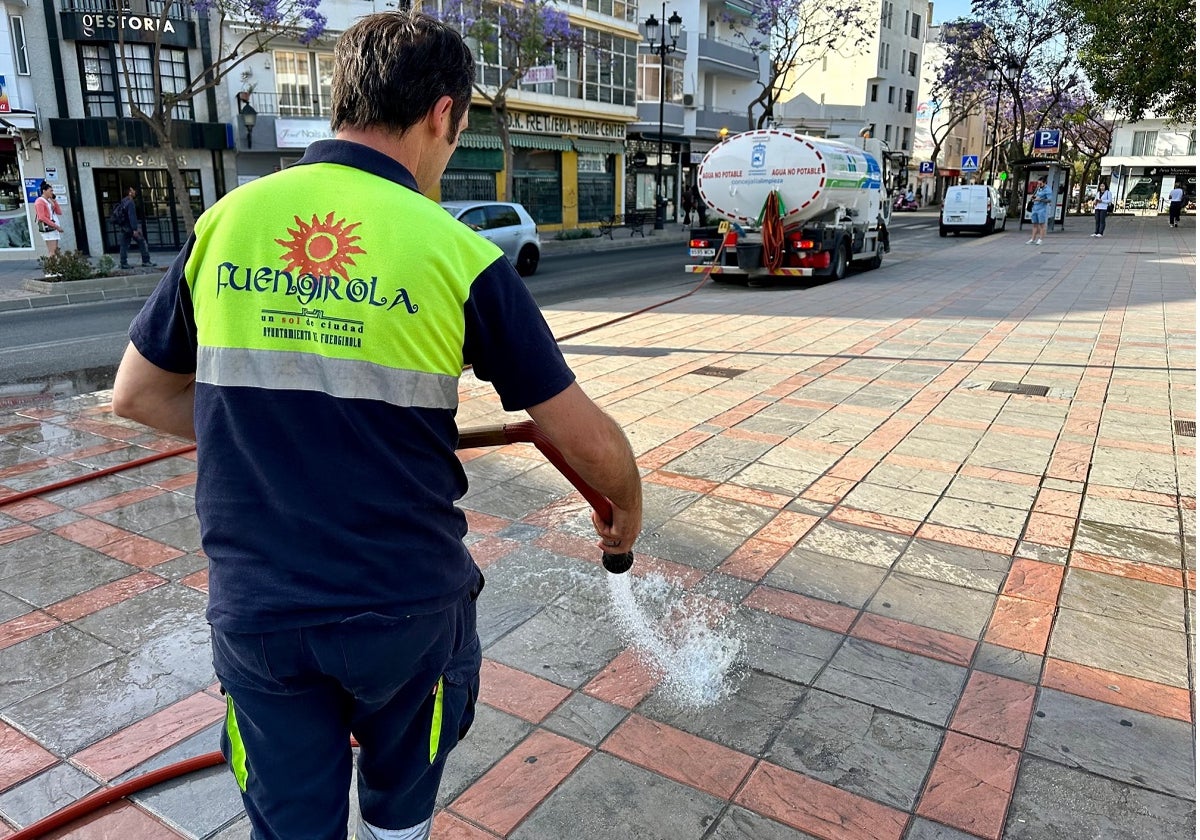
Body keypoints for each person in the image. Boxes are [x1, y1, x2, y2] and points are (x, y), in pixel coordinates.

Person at [110, 12, 642, 840]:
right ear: (442, 113)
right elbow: (588, 441)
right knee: (399, 813)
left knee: (290, 827)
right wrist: (626, 514)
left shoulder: (228, 222)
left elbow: (137, 396)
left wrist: (268, 431)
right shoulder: (456, 253)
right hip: (403, 611)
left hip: (261, 613)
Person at [117, 185, 153, 269]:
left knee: (123, 246)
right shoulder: (130, 202)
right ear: (130, 192)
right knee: (142, 242)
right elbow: (132, 216)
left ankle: (123, 263)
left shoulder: (123, 201)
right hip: (130, 228)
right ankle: (146, 261)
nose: (134, 192)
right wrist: (135, 229)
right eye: (133, 190)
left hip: (123, 227)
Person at [33, 181, 64, 256]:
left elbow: (59, 212)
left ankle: (55, 266)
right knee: (52, 251)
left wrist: (54, 201)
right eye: (50, 191)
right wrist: (56, 226)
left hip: (53, 227)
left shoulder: (49, 201)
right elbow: (42, 217)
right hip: (48, 228)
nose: (52, 192)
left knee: (56, 250)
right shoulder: (39, 201)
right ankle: (52, 267)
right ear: (44, 191)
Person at [1026, 178, 1053, 244]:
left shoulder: (1048, 190)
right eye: (1038, 183)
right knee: (1035, 224)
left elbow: (1049, 200)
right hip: (1035, 207)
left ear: (1044, 183)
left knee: (1041, 224)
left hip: (1042, 209)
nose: (1039, 185)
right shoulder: (1038, 188)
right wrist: (1033, 198)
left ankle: (1040, 239)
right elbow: (1035, 196)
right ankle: (1032, 239)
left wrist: (1040, 200)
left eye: (1040, 183)